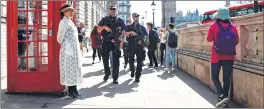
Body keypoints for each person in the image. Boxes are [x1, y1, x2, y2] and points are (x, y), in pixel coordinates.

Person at [207, 8, 239, 108]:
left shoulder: (213, 26)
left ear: (218, 16)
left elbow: (209, 39)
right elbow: (236, 41)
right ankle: (224, 100)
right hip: (229, 57)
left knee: (214, 77)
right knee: (226, 79)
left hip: (216, 56)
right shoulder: (233, 27)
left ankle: (221, 95)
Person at [97, 5, 132, 84]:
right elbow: (98, 29)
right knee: (105, 59)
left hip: (116, 42)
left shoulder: (119, 20)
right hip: (106, 41)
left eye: (114, 10)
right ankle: (107, 73)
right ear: (109, 10)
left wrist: (122, 42)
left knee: (116, 60)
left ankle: (115, 78)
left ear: (116, 11)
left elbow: (123, 32)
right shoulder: (104, 19)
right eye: (111, 9)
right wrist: (104, 27)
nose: (113, 11)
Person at [57, 3, 82, 98]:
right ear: (64, 12)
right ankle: (71, 92)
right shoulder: (63, 22)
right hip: (68, 51)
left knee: (75, 70)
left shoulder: (70, 21)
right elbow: (59, 37)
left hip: (74, 50)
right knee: (70, 70)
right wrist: (66, 44)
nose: (72, 12)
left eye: (72, 10)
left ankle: (74, 90)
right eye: (70, 10)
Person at [125, 13, 148, 82]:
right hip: (131, 45)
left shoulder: (142, 27)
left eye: (138, 16)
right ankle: (132, 70)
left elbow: (146, 36)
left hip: (139, 46)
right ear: (133, 17)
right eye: (135, 17)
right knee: (131, 60)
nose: (137, 18)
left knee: (139, 61)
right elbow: (124, 33)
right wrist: (130, 32)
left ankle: (137, 76)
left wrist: (142, 40)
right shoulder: (129, 26)